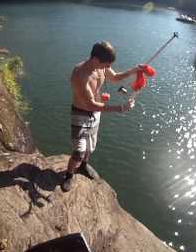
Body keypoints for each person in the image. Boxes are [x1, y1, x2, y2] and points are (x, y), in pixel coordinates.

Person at [61, 41, 145, 192]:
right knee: (79, 151)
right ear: (95, 59)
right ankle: (68, 175)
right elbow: (90, 104)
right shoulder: (81, 75)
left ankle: (84, 166)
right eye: (105, 65)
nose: (107, 68)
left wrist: (134, 70)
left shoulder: (101, 67)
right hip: (81, 113)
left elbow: (116, 77)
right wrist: (120, 108)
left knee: (91, 145)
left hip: (95, 113)